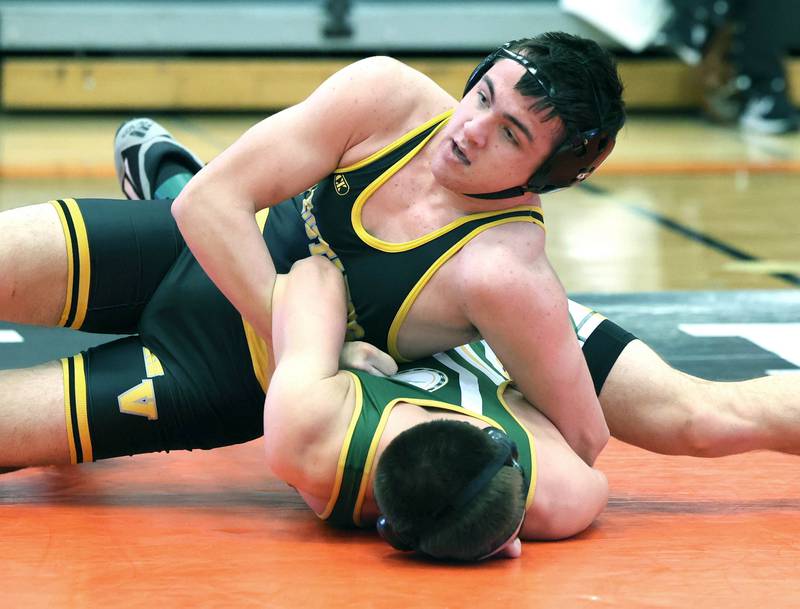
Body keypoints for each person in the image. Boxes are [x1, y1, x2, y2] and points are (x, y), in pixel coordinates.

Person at [0, 32, 625, 468]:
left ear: (545, 175)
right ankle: (173, 182)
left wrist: (459, 483)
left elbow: (582, 440)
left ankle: (171, 178)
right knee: (193, 196)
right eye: (484, 95)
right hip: (186, 249)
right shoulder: (389, 100)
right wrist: (311, 340)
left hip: (218, 374)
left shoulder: (506, 271)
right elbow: (209, 208)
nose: (471, 130)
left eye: (510, 135)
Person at [264, 255, 611, 561]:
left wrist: (335, 349)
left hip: (391, 317)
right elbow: (589, 437)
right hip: (494, 344)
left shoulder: (307, 427)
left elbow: (314, 271)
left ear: (392, 533)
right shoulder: (562, 494)